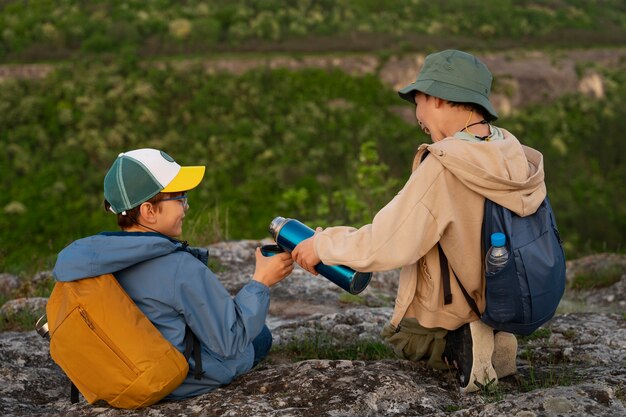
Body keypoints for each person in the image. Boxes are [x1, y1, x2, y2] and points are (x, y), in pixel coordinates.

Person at [291, 49, 546, 393]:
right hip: (506, 291)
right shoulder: (511, 149)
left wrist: (321, 245)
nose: (418, 115)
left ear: (437, 98)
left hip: (465, 300)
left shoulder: (445, 165)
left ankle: (465, 343)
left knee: (406, 339)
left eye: (418, 101)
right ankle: (495, 337)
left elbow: (387, 240)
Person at [52, 148, 294, 399]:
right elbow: (229, 343)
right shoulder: (180, 268)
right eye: (179, 198)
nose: (186, 206)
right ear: (149, 211)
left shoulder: (92, 261)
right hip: (174, 381)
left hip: (117, 372)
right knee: (260, 335)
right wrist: (261, 281)